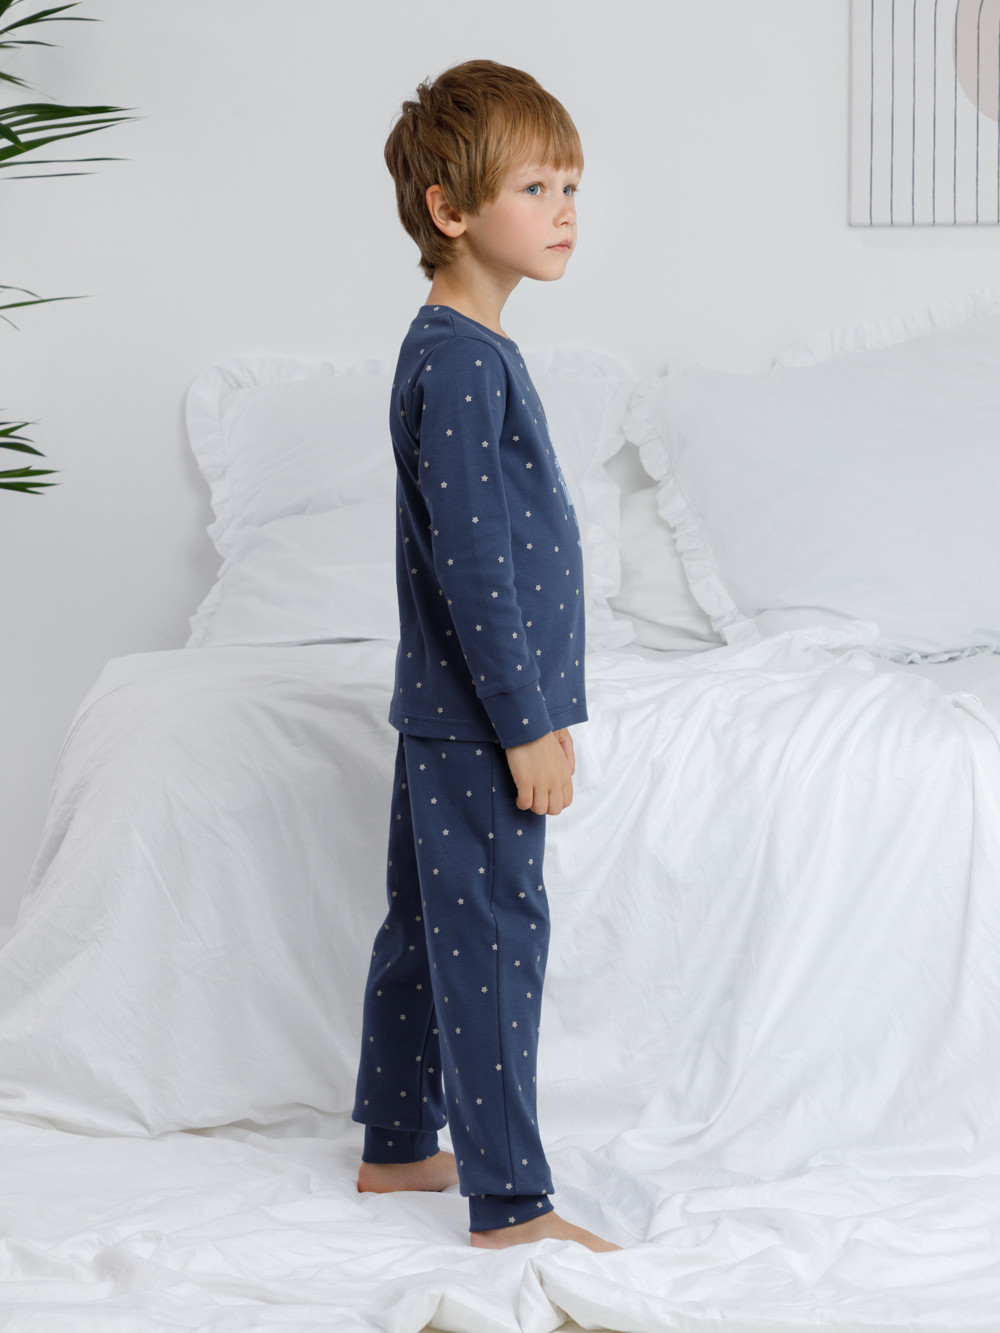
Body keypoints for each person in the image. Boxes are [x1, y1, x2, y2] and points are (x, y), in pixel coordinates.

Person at [352, 59, 619, 1254]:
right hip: (477, 718)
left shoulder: (465, 347)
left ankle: (397, 1144)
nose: (565, 211)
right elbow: (473, 566)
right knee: (493, 938)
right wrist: (525, 723)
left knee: (426, 927)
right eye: (535, 187)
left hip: (450, 711)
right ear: (449, 210)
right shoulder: (460, 360)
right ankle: (511, 1202)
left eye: (571, 186)